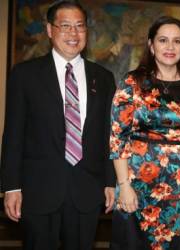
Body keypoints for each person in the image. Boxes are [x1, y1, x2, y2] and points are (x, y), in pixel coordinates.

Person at [0, 1, 116, 250]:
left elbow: (108, 135)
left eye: (79, 26)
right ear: (50, 30)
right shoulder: (24, 75)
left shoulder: (104, 78)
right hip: (37, 190)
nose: (73, 34)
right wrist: (11, 186)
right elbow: (13, 134)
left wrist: (110, 182)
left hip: (87, 190)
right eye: (65, 26)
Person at [109, 16, 180, 250]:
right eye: (163, 40)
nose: (170, 47)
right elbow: (118, 137)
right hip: (137, 183)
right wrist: (124, 185)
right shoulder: (133, 82)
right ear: (151, 45)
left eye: (177, 41)